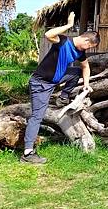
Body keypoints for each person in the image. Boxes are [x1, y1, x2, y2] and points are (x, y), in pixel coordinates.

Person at [20, 12, 100, 164]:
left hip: (54, 81)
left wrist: (86, 85)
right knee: (37, 116)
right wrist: (69, 25)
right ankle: (28, 153)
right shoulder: (63, 41)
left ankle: (63, 97)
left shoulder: (80, 52)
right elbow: (48, 34)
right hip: (40, 83)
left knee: (76, 72)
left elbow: (86, 67)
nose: (88, 48)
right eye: (90, 45)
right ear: (85, 39)